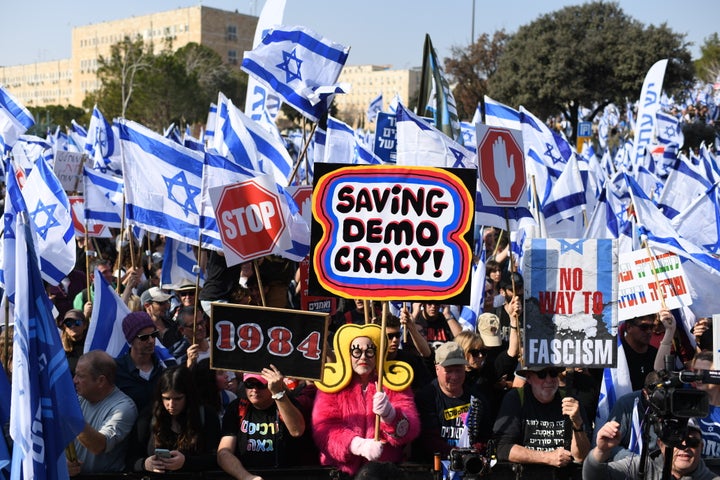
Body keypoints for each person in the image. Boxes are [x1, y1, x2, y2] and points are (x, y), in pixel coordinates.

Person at [313, 323, 420, 476]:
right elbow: (324, 429)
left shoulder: (393, 382)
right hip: (342, 472)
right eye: (356, 351)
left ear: (377, 354)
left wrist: (390, 415)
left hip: (382, 472)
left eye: (369, 352)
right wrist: (357, 445)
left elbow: (411, 428)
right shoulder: (332, 386)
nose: (363, 357)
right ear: (347, 354)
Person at [492, 365, 590, 476]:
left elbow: (581, 457)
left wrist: (577, 425)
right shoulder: (516, 398)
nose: (548, 380)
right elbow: (502, 448)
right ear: (529, 378)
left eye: (553, 373)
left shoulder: (570, 402)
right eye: (541, 374)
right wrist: (548, 457)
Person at [217, 365, 306, 479]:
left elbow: (297, 431)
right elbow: (224, 453)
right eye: (249, 384)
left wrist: (278, 394)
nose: (254, 390)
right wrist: (247, 477)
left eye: (260, 385)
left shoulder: (287, 403)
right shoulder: (237, 407)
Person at [414, 342, 492, 460]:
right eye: (449, 371)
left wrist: (474, 453)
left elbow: (485, 437)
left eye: (459, 370)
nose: (455, 376)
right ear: (437, 369)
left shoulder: (477, 399)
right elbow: (428, 439)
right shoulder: (426, 397)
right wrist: (458, 455)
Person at [135, 365, 220, 473]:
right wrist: (145, 464)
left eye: (177, 399)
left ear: (188, 396)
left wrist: (186, 462)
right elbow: (131, 458)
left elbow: (216, 458)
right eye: (166, 398)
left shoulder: (206, 415)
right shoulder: (148, 416)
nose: (171, 404)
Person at [67, 350, 138, 475]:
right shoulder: (78, 399)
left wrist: (70, 416)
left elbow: (98, 445)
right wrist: (63, 463)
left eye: (80, 376)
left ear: (101, 381)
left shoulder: (124, 408)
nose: (74, 380)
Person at [584, 419, 719, 479]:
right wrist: (601, 451)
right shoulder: (641, 467)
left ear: (701, 446)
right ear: (660, 444)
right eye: (675, 439)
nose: (684, 446)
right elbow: (593, 476)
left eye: (692, 441)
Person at [115, 311, 166, 414]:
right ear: (131, 340)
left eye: (154, 334)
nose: (151, 340)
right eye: (144, 337)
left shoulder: (164, 366)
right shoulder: (116, 370)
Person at [622, 313, 659, 391]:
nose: (649, 331)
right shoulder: (615, 353)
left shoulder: (655, 354)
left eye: (652, 327)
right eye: (644, 327)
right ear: (628, 327)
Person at [58, 308, 89, 375]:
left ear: (84, 325)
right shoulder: (59, 348)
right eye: (68, 323)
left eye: (77, 323)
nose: (73, 326)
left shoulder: (91, 344)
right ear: (65, 328)